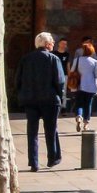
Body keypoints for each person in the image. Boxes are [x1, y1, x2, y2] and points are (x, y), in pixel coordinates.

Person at [15, 33, 66, 171]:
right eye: (52, 42)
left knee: (32, 131)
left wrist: (22, 94)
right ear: (47, 44)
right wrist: (59, 95)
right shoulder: (53, 58)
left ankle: (33, 162)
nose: (53, 44)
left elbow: (18, 79)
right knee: (51, 129)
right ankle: (53, 158)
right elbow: (60, 81)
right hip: (50, 99)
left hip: (30, 99)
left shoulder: (26, 59)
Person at [70, 40, 97, 133]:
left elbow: (72, 71)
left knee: (79, 103)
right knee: (88, 105)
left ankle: (79, 116)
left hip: (79, 86)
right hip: (90, 87)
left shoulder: (77, 60)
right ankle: (86, 123)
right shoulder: (94, 62)